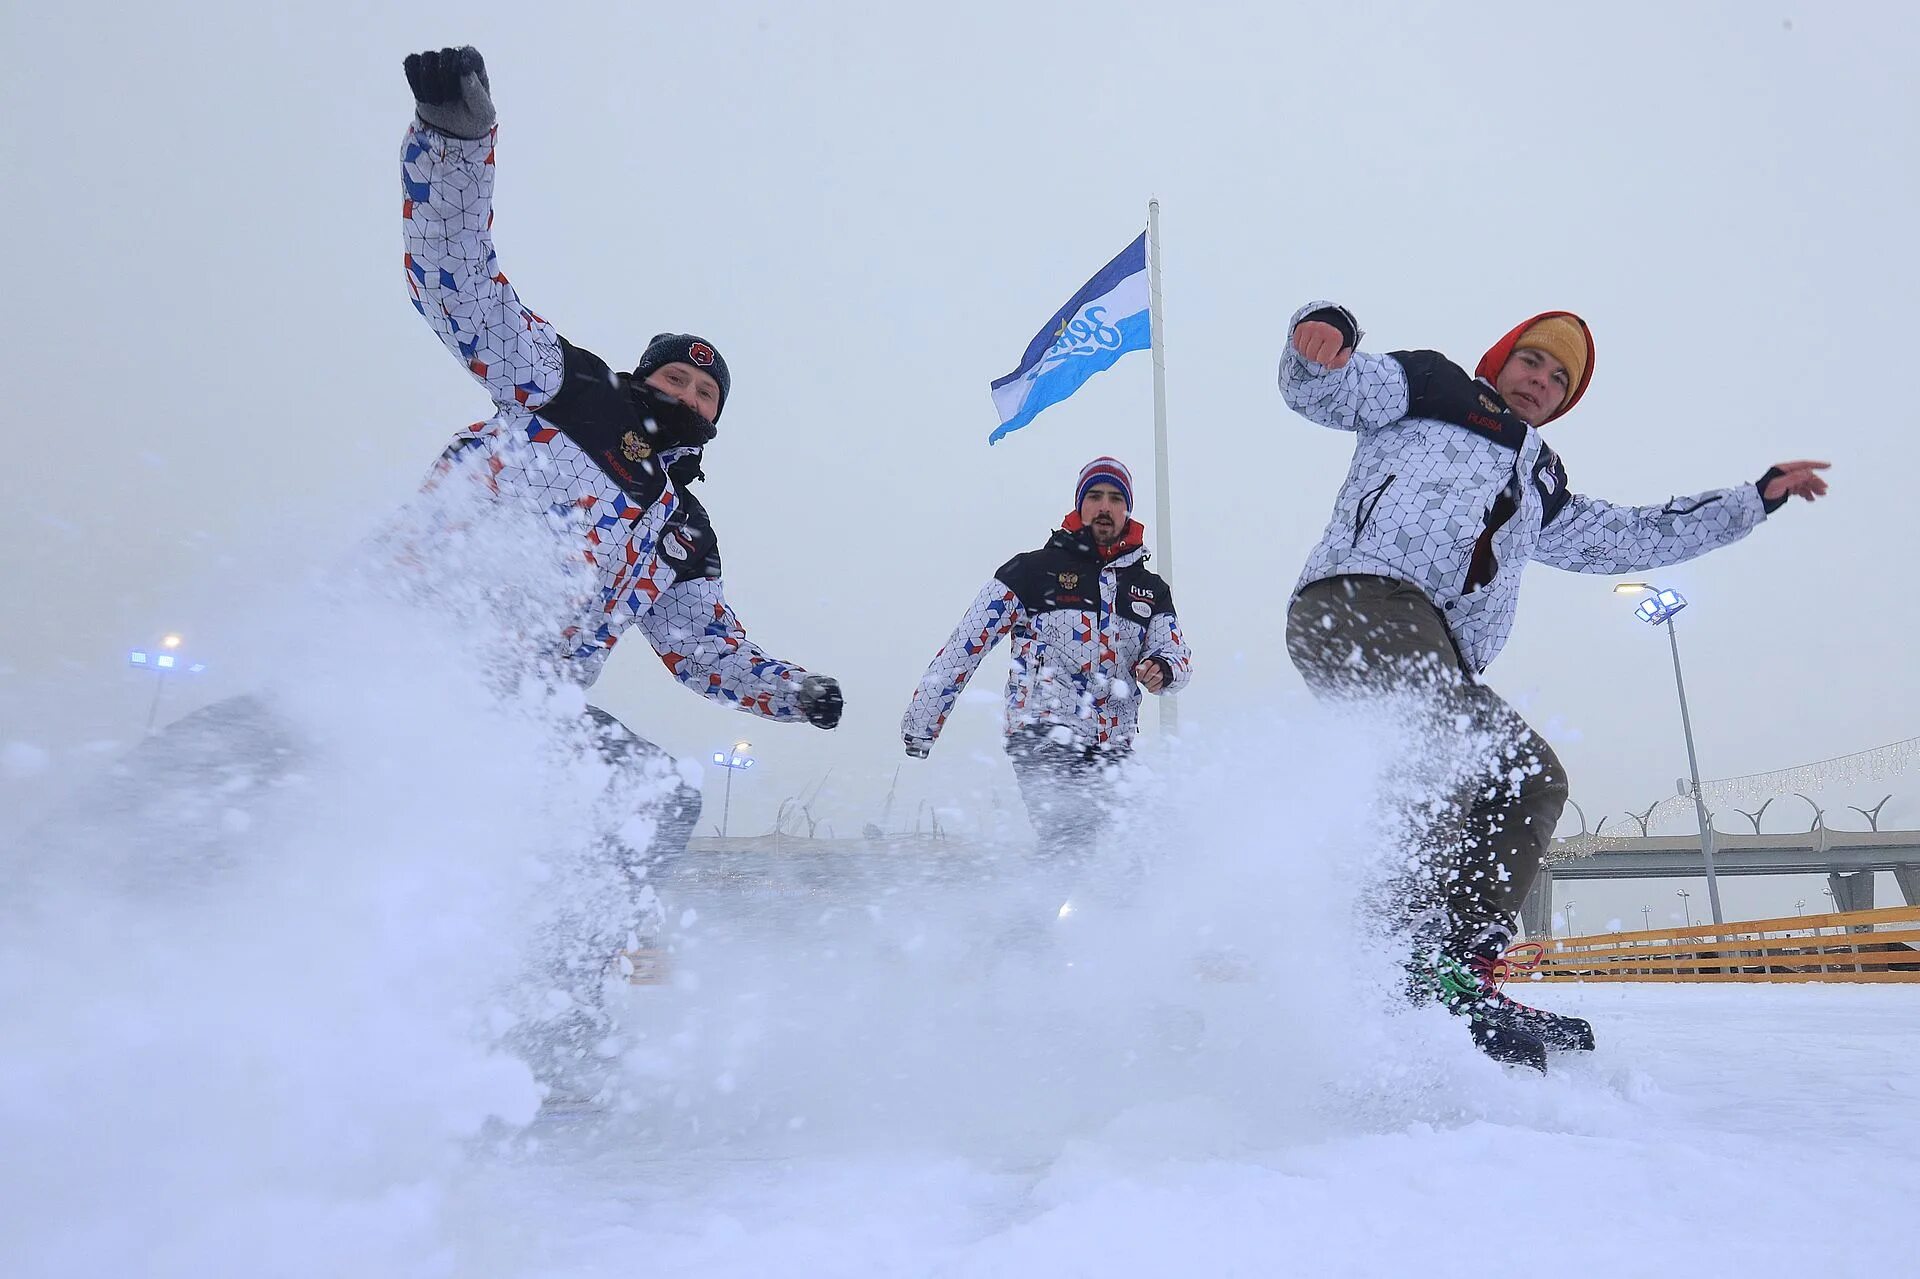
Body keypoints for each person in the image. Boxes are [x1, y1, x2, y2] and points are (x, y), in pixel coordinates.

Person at [1280, 302, 1828, 1068]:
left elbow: (1632, 535)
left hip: (1438, 652)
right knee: (1436, 750)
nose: (1542, 380)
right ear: (1500, 362)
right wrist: (1324, 334)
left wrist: (1753, 499)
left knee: (1530, 777)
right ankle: (1395, 961)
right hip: (1359, 597)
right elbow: (1328, 390)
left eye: (1560, 378)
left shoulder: (1540, 480)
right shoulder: (1432, 386)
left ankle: (1459, 966)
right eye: (1532, 362)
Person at [399, 46, 844, 879]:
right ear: (644, 376)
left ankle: (552, 1000)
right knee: (247, 770)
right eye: (676, 375)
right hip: (410, 652)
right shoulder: (567, 388)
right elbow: (457, 286)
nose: (689, 394)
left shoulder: (681, 529)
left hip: (520, 710)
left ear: (716, 420)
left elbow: (701, 648)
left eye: (707, 393)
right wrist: (455, 146)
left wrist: (791, 692)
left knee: (652, 796)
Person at [902, 457, 1191, 878]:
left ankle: (1127, 934)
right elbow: (965, 647)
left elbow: (1177, 654)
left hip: (1112, 745)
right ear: (1079, 505)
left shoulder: (1148, 589)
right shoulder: (1032, 572)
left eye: (1115, 498)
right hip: (1044, 731)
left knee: (1151, 834)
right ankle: (1027, 935)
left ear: (1127, 509)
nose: (1104, 507)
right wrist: (922, 723)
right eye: (1094, 497)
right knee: (1074, 835)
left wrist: (1162, 668)